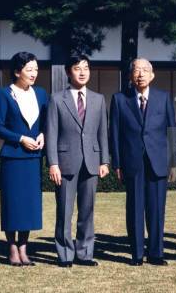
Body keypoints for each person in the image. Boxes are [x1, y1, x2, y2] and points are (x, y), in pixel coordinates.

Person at [110, 58, 176, 266]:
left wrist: (174, 162)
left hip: (158, 161)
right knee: (135, 208)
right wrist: (117, 164)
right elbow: (115, 134)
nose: (140, 74)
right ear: (130, 76)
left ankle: (156, 253)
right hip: (132, 161)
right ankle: (137, 254)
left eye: (145, 70)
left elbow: (172, 131)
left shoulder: (163, 98)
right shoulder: (120, 99)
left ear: (152, 75)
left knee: (157, 209)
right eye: (136, 71)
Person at [46, 54, 110, 268]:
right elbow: (52, 132)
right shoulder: (57, 99)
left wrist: (105, 161)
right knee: (64, 211)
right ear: (67, 72)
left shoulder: (98, 99)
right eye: (77, 68)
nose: (82, 72)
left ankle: (84, 253)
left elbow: (103, 133)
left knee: (87, 211)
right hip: (65, 162)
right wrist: (52, 163)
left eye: (86, 68)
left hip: (92, 161)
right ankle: (64, 254)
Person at [0, 52, 48, 266]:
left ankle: (24, 248)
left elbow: (46, 121)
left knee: (29, 205)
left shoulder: (41, 94)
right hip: (13, 157)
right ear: (17, 71)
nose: (34, 73)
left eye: (35, 69)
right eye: (29, 69)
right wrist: (21, 138)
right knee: (12, 204)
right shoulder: (1, 94)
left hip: (34, 158)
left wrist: (43, 134)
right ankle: (12, 248)